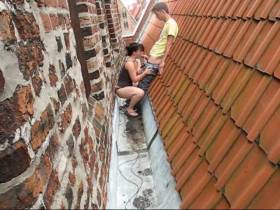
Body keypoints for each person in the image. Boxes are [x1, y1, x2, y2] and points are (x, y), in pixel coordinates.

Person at [138, 2, 179, 93]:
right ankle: (130, 104)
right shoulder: (168, 24)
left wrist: (162, 62)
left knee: (142, 86)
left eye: (157, 14)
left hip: (154, 64)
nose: (157, 17)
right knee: (140, 83)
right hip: (151, 62)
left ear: (162, 11)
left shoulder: (171, 24)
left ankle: (132, 106)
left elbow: (169, 44)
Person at [115, 43, 152, 117]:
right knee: (140, 92)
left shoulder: (135, 61)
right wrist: (145, 73)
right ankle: (129, 109)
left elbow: (138, 72)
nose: (142, 53)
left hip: (127, 87)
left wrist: (145, 62)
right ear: (134, 52)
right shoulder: (130, 64)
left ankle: (127, 105)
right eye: (141, 51)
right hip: (121, 89)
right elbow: (135, 79)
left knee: (138, 85)